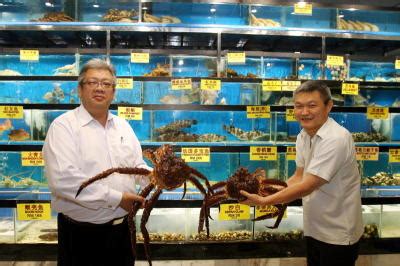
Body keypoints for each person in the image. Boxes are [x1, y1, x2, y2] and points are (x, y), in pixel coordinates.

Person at [240, 80, 363, 266]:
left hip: (338, 232)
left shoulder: (336, 139)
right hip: (315, 227)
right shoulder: (303, 136)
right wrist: (265, 189)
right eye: (299, 106)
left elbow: (308, 185)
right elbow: (299, 177)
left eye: (312, 106)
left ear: (328, 106)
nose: (304, 112)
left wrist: (265, 201)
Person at [43, 58, 151, 266]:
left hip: (123, 230)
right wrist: (117, 198)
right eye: (93, 82)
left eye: (106, 84)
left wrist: (153, 177)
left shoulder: (123, 126)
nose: (100, 88)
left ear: (113, 92)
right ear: (80, 89)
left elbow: (137, 165)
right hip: (81, 234)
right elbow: (64, 181)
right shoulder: (63, 127)